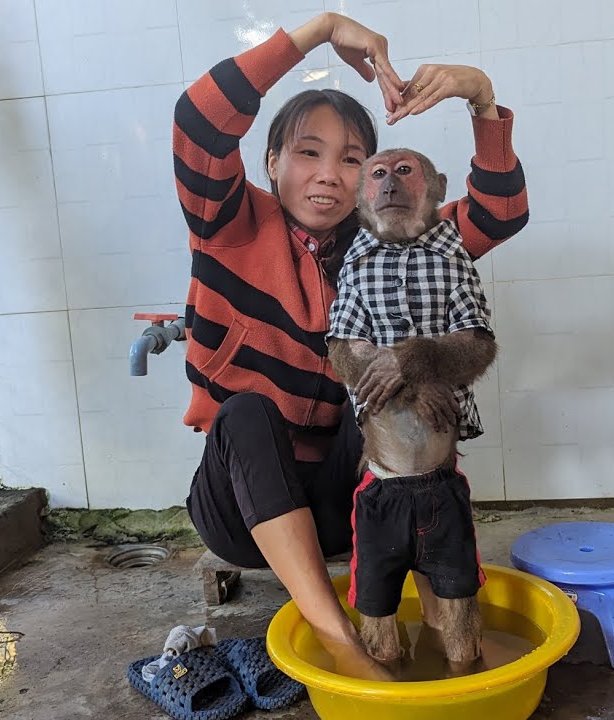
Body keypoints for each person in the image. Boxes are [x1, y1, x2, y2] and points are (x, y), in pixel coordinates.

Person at [174, 11, 529, 673]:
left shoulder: (390, 246)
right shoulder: (225, 220)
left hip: (351, 505)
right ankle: (341, 644)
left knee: (405, 378)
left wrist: (479, 94)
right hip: (240, 513)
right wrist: (320, 31)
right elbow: (198, 119)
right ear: (272, 161)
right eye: (308, 152)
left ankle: (447, 617)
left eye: (352, 159)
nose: (329, 174)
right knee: (247, 413)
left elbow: (498, 212)